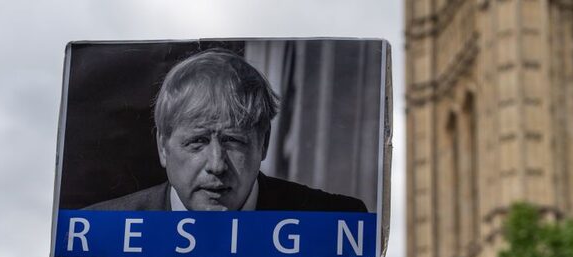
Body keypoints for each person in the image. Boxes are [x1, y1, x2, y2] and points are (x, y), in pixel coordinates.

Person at [87, 48, 368, 212]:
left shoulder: (339, 219)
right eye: (197, 142)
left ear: (264, 143)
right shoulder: (100, 226)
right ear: (163, 146)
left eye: (233, 141)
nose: (216, 165)